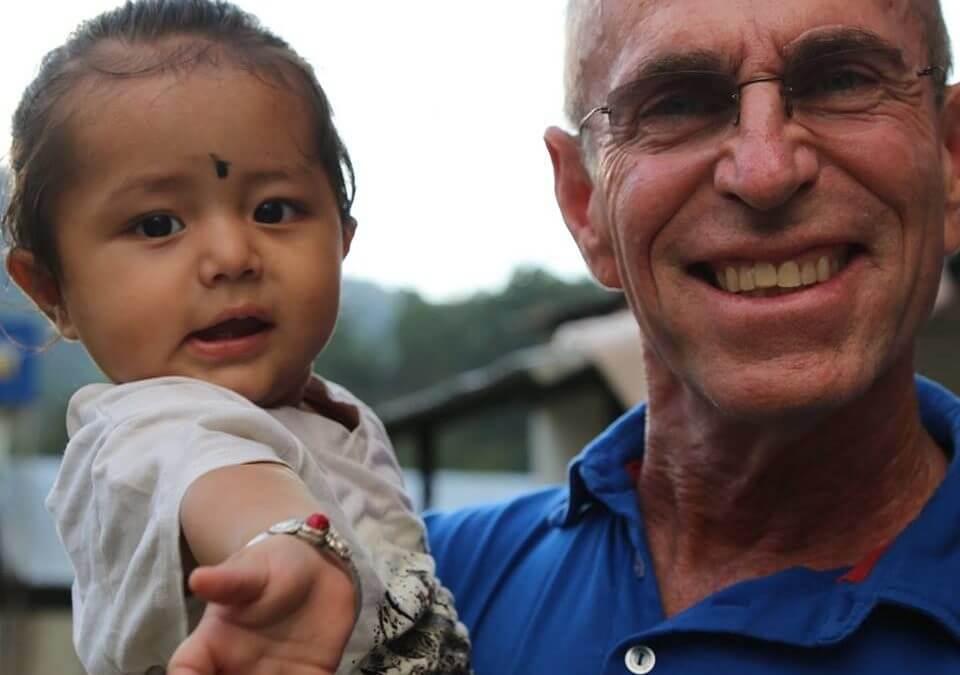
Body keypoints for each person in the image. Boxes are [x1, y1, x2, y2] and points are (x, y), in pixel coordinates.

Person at [425, 0, 960, 673]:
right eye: (676, 104)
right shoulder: (416, 596)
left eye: (841, 82)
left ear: (951, 159)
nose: (765, 172)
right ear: (584, 202)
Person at [1, 1, 471, 674]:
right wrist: (282, 548)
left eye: (273, 209)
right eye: (158, 224)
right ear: (51, 291)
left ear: (342, 239)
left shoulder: (331, 415)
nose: (231, 255)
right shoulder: (140, 432)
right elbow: (218, 478)